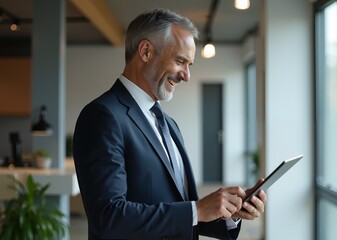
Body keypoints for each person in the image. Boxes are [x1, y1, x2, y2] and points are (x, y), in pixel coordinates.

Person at [73, 8, 267, 240]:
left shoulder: (169, 124)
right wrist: (197, 209)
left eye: (189, 65)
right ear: (145, 51)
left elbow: (185, 212)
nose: (186, 75)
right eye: (180, 61)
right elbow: (109, 217)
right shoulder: (102, 116)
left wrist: (229, 212)